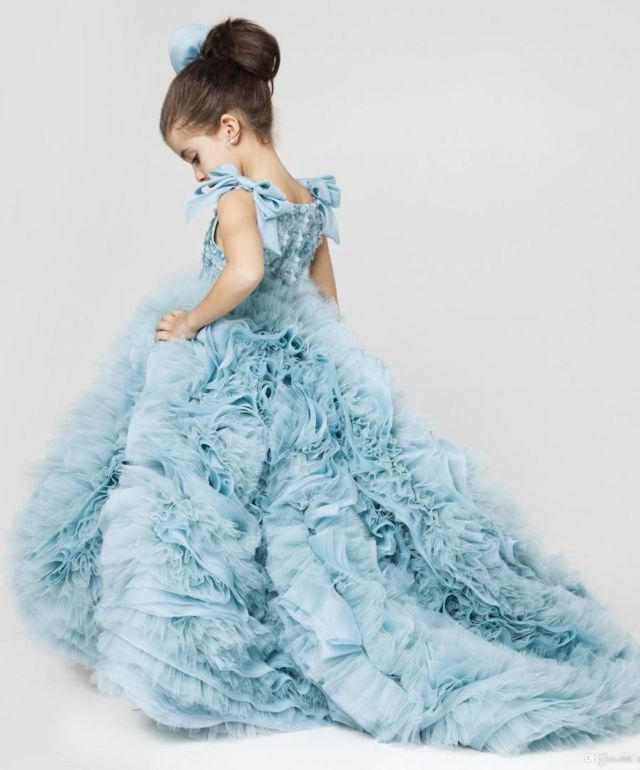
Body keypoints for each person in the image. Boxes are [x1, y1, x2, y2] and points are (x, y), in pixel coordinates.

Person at [5, 15, 640, 757]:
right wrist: (336, 374)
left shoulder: (236, 196)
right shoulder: (307, 199)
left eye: (194, 156)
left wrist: (192, 319)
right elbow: (327, 304)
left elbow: (244, 272)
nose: (198, 175)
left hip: (238, 363)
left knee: (197, 497)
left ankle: (198, 646)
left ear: (230, 128)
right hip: (302, 365)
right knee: (299, 507)